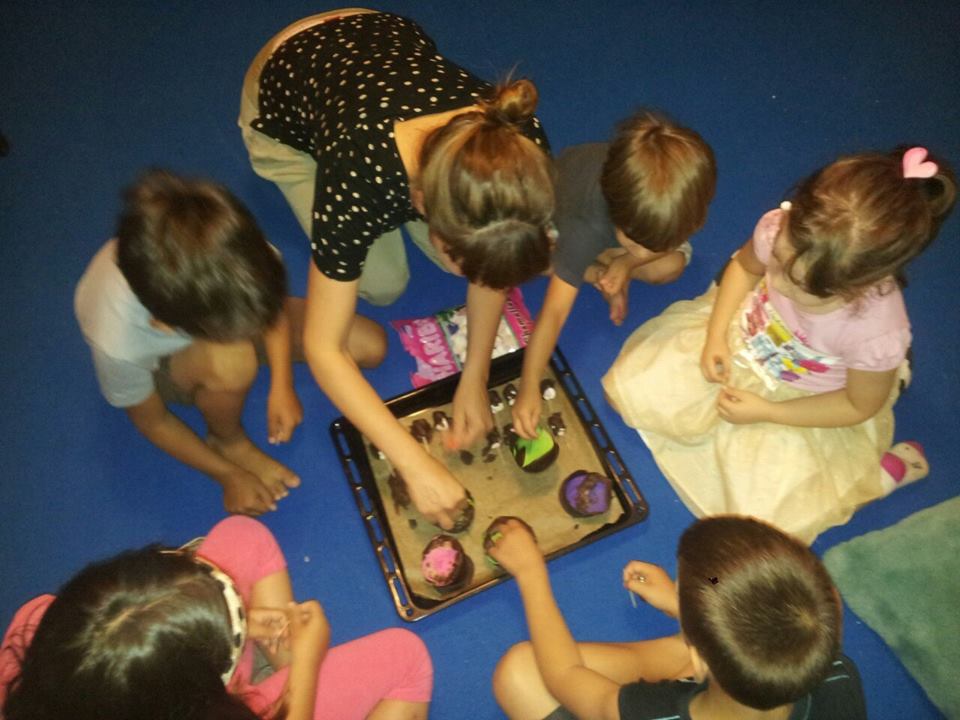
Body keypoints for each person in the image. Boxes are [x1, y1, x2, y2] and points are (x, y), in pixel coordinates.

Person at [239, 9, 554, 529]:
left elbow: (491, 271)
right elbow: (323, 347)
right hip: (282, 85)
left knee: (478, 256)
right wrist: (411, 461)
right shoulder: (359, 174)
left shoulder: (518, 138)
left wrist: (474, 376)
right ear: (424, 207)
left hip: (381, 36)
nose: (480, 279)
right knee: (384, 285)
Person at [602, 146, 956, 542]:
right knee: (628, 390)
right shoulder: (780, 229)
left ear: (858, 287)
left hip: (802, 403)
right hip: (743, 340)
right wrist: (716, 335)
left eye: (799, 285)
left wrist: (769, 411)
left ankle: (881, 472)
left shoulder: (876, 331)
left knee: (764, 525)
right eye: (781, 262)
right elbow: (743, 267)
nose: (779, 282)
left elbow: (857, 405)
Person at [74, 170, 375, 516]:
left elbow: (272, 310)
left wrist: (282, 382)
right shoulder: (118, 342)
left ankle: (235, 349)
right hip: (166, 362)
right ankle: (226, 440)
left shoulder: (239, 256)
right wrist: (227, 475)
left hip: (224, 307)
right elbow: (153, 422)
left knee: (367, 345)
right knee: (233, 360)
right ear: (166, 326)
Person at [0, 516, 433, 720]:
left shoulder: (36, 622)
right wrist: (306, 665)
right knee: (407, 658)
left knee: (243, 535)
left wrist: (239, 620)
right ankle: (287, 685)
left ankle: (277, 673)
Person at [490, 515, 867, 720]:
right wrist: (680, 602)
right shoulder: (836, 672)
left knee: (518, 673)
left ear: (699, 663)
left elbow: (564, 676)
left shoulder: (656, 714)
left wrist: (530, 572)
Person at [512, 111, 716, 439]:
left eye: (656, 245)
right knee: (523, 258)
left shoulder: (675, 205)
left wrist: (627, 263)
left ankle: (606, 263)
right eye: (637, 244)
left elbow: (655, 248)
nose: (645, 252)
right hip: (565, 219)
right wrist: (529, 384)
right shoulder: (586, 224)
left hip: (618, 227)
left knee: (671, 266)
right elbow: (554, 312)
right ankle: (594, 269)